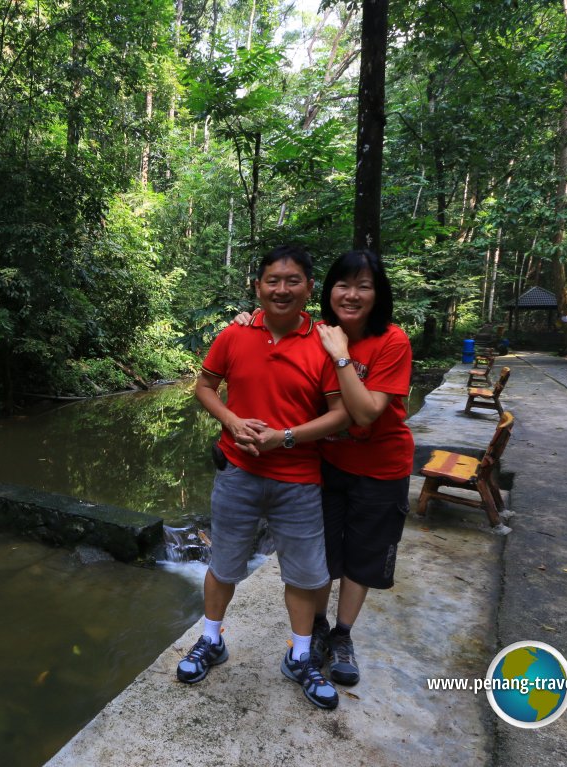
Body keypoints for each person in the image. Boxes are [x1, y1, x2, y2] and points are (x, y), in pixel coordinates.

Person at [179, 244, 350, 711]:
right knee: (225, 564)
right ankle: (211, 641)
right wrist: (232, 422)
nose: (281, 289)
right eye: (272, 280)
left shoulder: (324, 342)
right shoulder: (233, 335)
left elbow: (340, 415)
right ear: (258, 287)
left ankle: (300, 657)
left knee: (306, 573)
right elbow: (205, 386)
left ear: (308, 289)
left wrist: (287, 437)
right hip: (238, 472)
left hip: (299, 479)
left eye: (292, 280)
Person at [232, 248, 413, 689]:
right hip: (326, 463)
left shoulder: (391, 340)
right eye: (343, 285)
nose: (351, 295)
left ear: (378, 293)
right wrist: (246, 320)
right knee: (321, 558)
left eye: (363, 286)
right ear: (326, 290)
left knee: (362, 559)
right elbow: (275, 321)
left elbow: (367, 413)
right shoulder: (315, 330)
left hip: (381, 467)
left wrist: (341, 356)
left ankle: (342, 635)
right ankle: (313, 630)